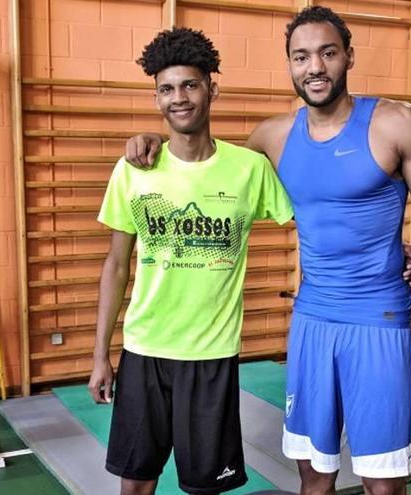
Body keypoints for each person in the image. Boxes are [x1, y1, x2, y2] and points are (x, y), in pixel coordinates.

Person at [125, 7, 411, 494]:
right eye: (301, 57)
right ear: (290, 65)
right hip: (311, 322)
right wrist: (155, 139)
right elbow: (207, 174)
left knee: (383, 483)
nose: (315, 67)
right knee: (314, 475)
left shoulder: (397, 123)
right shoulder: (273, 137)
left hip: (379, 321)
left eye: (327, 53)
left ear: (348, 56)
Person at [87, 27, 295, 495]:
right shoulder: (135, 170)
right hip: (145, 351)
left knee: (205, 485)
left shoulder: (249, 169)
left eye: (190, 85)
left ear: (211, 88)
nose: (178, 98)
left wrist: (387, 250)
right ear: (156, 97)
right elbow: (116, 264)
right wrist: (101, 354)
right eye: (166, 89)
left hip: (212, 355)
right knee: (136, 480)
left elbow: (314, 222)